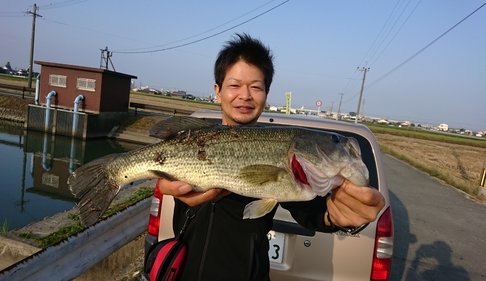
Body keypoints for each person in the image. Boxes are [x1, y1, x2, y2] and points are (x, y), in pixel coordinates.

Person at [157, 33, 385, 281]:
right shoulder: (191, 138)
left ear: (266, 94)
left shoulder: (292, 159)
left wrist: (338, 216)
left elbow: (314, 210)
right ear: (218, 91)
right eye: (234, 85)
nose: (245, 95)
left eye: (256, 87)